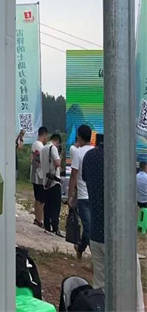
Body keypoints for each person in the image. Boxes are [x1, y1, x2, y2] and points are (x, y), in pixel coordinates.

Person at [83, 140, 145, 312]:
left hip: (96, 233)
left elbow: (86, 181)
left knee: (101, 287)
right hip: (120, 237)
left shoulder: (89, 157)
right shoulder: (122, 159)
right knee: (132, 286)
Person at [68, 124, 93, 259]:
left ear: (79, 137)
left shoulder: (78, 152)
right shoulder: (95, 151)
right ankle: (89, 252)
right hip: (89, 195)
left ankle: (81, 247)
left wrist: (70, 196)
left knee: (89, 228)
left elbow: (73, 175)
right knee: (89, 226)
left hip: (84, 196)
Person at [41, 133, 63, 236]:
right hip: (54, 181)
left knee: (48, 205)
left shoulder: (43, 148)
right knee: (56, 205)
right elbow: (57, 163)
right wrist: (60, 156)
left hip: (46, 181)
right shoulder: (53, 148)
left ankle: (47, 226)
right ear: (57, 141)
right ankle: (55, 227)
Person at [31, 126, 49, 227]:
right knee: (41, 200)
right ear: (44, 135)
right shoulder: (41, 147)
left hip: (34, 175)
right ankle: (39, 220)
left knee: (37, 198)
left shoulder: (34, 144)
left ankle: (37, 219)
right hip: (40, 176)